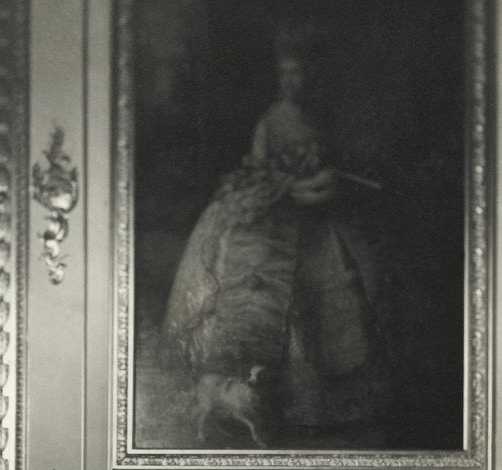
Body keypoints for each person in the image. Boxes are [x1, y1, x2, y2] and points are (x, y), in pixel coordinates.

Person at [162, 38, 391, 447]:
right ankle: (260, 399)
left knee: (334, 289)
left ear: (307, 77)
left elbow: (324, 165)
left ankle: (319, 406)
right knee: (264, 290)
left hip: (314, 219)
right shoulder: (270, 121)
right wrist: (295, 187)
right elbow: (258, 172)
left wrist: (324, 181)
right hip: (275, 215)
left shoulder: (314, 120)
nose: (290, 81)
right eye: (284, 73)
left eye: (297, 73)